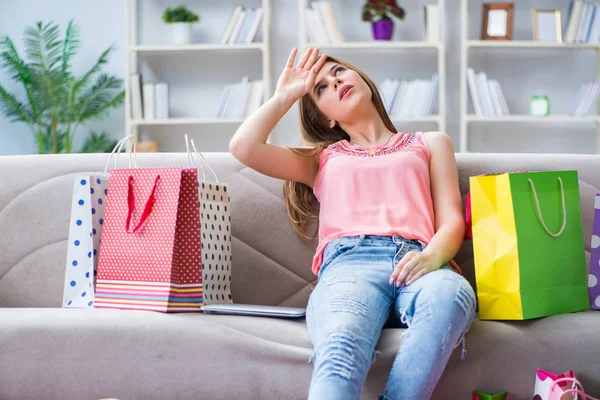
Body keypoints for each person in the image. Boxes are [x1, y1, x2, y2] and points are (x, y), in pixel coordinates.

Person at [229, 47, 477, 400]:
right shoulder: (322, 159)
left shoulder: (431, 143)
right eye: (321, 88)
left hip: (421, 261)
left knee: (453, 295)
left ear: (364, 80)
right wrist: (285, 95)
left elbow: (451, 219)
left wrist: (433, 256)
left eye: (339, 71)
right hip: (350, 265)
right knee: (341, 343)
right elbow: (244, 147)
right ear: (326, 118)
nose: (335, 81)